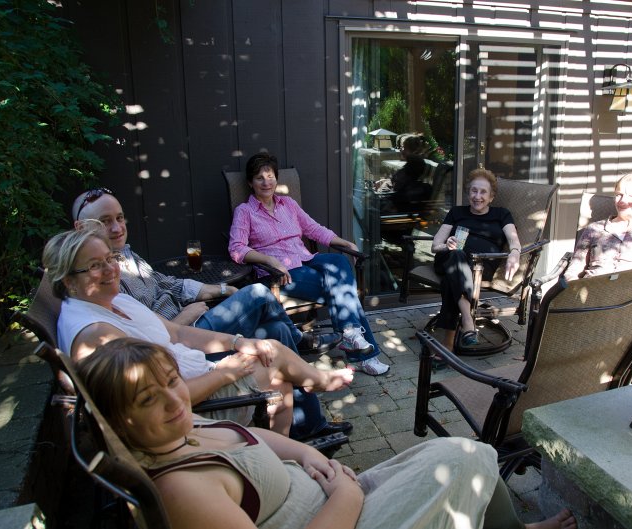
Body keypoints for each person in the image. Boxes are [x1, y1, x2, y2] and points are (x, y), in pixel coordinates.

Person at [76, 338, 578, 529]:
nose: (174, 400)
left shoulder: (180, 429)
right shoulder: (180, 488)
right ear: (119, 420)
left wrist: (305, 455)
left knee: (460, 453)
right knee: (464, 461)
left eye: (172, 382)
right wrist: (345, 493)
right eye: (148, 399)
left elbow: (254, 440)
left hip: (331, 495)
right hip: (340, 513)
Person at [72, 187, 349, 440]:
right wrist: (185, 315)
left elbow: (170, 284)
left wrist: (222, 289)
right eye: (105, 221)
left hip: (188, 326)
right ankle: (302, 343)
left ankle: (308, 425)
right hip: (187, 333)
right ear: (81, 228)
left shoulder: (127, 257)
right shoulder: (107, 285)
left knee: (275, 331)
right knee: (257, 293)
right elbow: (152, 339)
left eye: (120, 218)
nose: (117, 227)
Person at [229, 153, 390, 376]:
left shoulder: (288, 204)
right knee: (345, 291)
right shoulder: (245, 212)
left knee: (338, 260)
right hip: (280, 273)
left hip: (306, 259)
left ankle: (351, 334)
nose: (266, 182)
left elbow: (313, 229)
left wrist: (345, 242)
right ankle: (362, 351)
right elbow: (236, 248)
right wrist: (269, 259)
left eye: (270, 176)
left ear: (276, 178)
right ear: (250, 183)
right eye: (259, 178)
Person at [430, 168, 521, 352]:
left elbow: (514, 241)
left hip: (481, 267)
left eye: (483, 192)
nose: (477, 196)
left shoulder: (502, 214)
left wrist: (515, 253)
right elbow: (435, 246)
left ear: (491, 197)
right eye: (473, 190)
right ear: (468, 192)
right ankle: (467, 320)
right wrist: (447, 244)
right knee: (456, 255)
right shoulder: (456, 212)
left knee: (451, 280)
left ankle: (448, 345)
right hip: (450, 258)